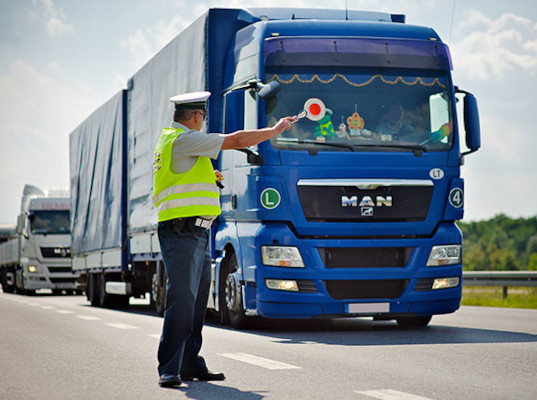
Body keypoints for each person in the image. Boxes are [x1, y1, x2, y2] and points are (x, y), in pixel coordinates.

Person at [153, 91, 295, 388]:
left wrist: (209, 178)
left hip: (197, 231)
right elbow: (235, 140)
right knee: (182, 299)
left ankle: (190, 362)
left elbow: (183, 179)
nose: (203, 123)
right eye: (203, 118)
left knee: (196, 301)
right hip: (182, 231)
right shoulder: (183, 139)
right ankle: (169, 366)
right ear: (196, 117)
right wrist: (274, 130)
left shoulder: (177, 142)